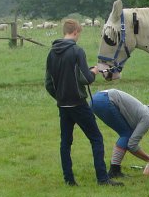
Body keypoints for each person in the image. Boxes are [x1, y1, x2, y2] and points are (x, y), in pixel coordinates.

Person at [45, 19, 122, 186]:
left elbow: (48, 84)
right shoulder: (77, 51)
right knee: (96, 139)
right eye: (79, 33)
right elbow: (85, 78)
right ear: (75, 32)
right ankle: (102, 179)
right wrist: (94, 71)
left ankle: (69, 180)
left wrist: (59, 97)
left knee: (65, 142)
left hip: (63, 106)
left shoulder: (51, 53)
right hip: (78, 104)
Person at [90, 88, 149, 178]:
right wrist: (148, 158)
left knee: (126, 133)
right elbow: (131, 145)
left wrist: (147, 158)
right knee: (126, 134)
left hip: (97, 98)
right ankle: (114, 171)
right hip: (104, 101)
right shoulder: (147, 118)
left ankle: (114, 170)